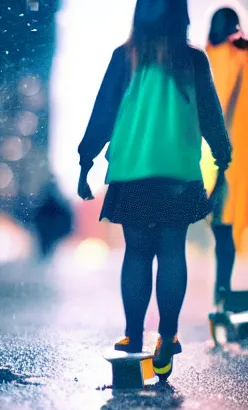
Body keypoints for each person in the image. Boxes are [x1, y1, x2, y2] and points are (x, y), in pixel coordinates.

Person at [77, 0, 232, 378]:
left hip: (133, 170)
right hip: (178, 171)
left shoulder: (125, 57)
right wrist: (222, 154)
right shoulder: (192, 60)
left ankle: (133, 336)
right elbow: (210, 112)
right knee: (172, 251)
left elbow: (104, 111)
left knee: (137, 254)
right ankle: (167, 336)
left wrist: (86, 160)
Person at [204, 7, 248, 307]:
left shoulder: (202, 57)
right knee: (228, 226)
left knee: (222, 229)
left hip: (210, 157)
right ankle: (222, 288)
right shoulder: (241, 55)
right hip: (238, 156)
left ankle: (222, 287)